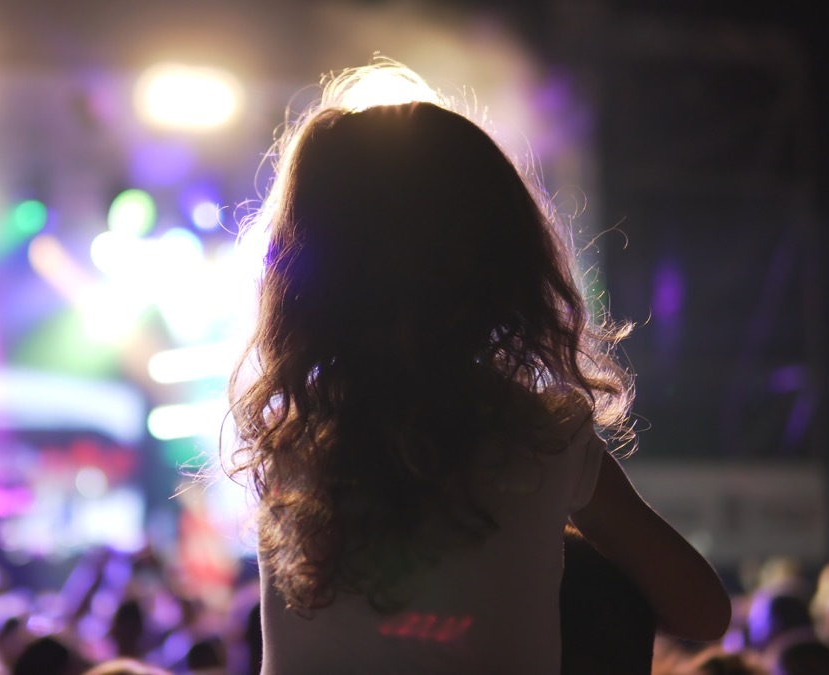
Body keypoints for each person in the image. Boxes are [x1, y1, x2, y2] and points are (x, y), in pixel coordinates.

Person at [225, 61, 730, 673]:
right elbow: (704, 614)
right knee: (599, 591)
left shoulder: (287, 442)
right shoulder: (544, 437)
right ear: (508, 259)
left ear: (301, 278)